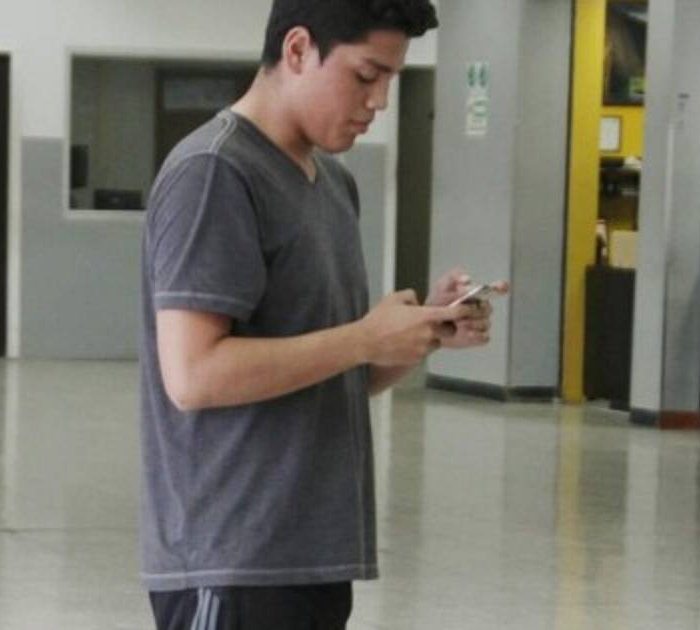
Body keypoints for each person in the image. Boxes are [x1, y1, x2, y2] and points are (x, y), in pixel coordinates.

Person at [138, 1, 504, 628]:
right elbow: (193, 376)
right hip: (235, 562)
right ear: (298, 49)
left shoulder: (334, 184)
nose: (380, 101)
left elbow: (334, 373)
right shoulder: (214, 172)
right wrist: (364, 338)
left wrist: (422, 331)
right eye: (366, 76)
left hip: (313, 556)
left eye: (391, 79)